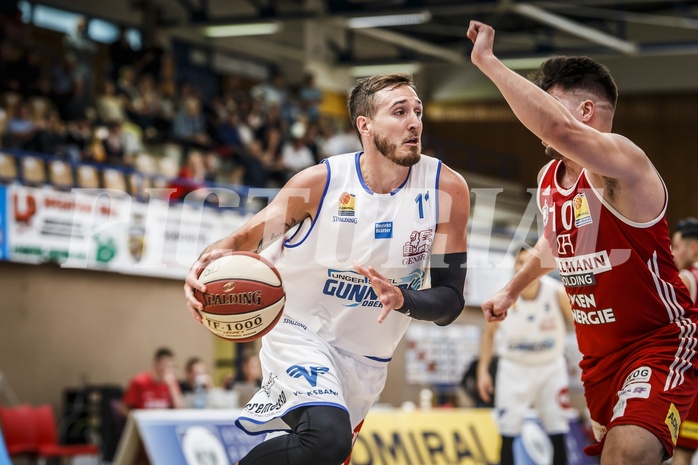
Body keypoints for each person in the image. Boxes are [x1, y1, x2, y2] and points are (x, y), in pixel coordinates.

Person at [184, 73, 470, 465]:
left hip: (368, 359)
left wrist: (403, 298)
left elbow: (451, 301)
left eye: (418, 112)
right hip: (300, 332)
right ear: (364, 126)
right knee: (326, 438)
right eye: (400, 111)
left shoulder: (447, 190)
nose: (414, 122)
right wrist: (203, 267)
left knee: (326, 453)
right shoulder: (321, 183)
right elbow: (240, 241)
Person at [469, 20, 698, 464]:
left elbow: (562, 132)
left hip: (658, 341)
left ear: (587, 112)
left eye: (548, 103)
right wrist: (512, 289)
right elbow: (555, 244)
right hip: (598, 360)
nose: (537, 117)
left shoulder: (621, 162)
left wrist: (488, 62)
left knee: (627, 455)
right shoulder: (549, 179)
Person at [477, 247, 573, 465]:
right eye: (521, 263)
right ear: (514, 267)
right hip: (513, 368)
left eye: (531, 263)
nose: (525, 268)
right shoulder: (501, 296)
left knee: (557, 430)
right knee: (508, 432)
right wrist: (483, 371)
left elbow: (581, 331)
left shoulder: (558, 293)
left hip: (550, 368)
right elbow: (488, 335)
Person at [671, 217, 698, 465]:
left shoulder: (687, 278)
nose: (671, 252)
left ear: (693, 248)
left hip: (689, 378)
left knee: (679, 455)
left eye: (675, 246)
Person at [121, 347, 184, 413]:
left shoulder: (172, 382)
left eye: (170, 366)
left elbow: (180, 410)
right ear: (156, 363)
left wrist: (172, 386)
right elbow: (124, 408)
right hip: (144, 420)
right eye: (164, 364)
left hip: (164, 421)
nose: (167, 369)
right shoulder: (139, 381)